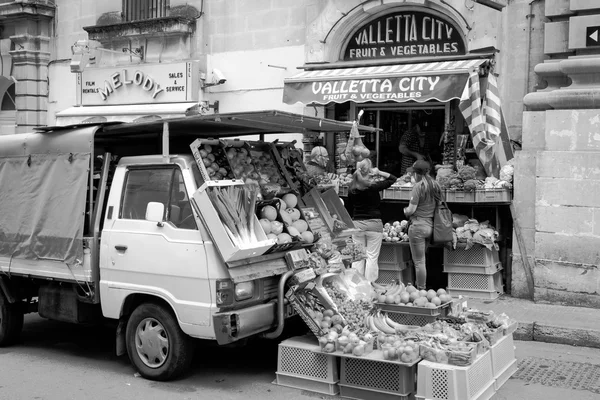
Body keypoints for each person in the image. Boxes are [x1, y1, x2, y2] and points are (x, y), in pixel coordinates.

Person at [347, 158, 397, 282]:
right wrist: (379, 172)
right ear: (369, 171)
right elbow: (393, 179)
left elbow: (349, 207)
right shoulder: (373, 187)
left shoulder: (351, 188)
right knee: (372, 258)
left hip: (357, 225)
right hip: (374, 225)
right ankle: (370, 286)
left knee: (358, 258)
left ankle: (356, 286)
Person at [402, 160, 443, 290]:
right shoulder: (436, 186)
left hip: (418, 227)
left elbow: (411, 210)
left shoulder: (418, 187)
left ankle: (421, 290)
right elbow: (439, 205)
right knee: (422, 260)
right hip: (431, 227)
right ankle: (421, 288)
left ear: (416, 173)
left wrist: (405, 211)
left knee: (419, 262)